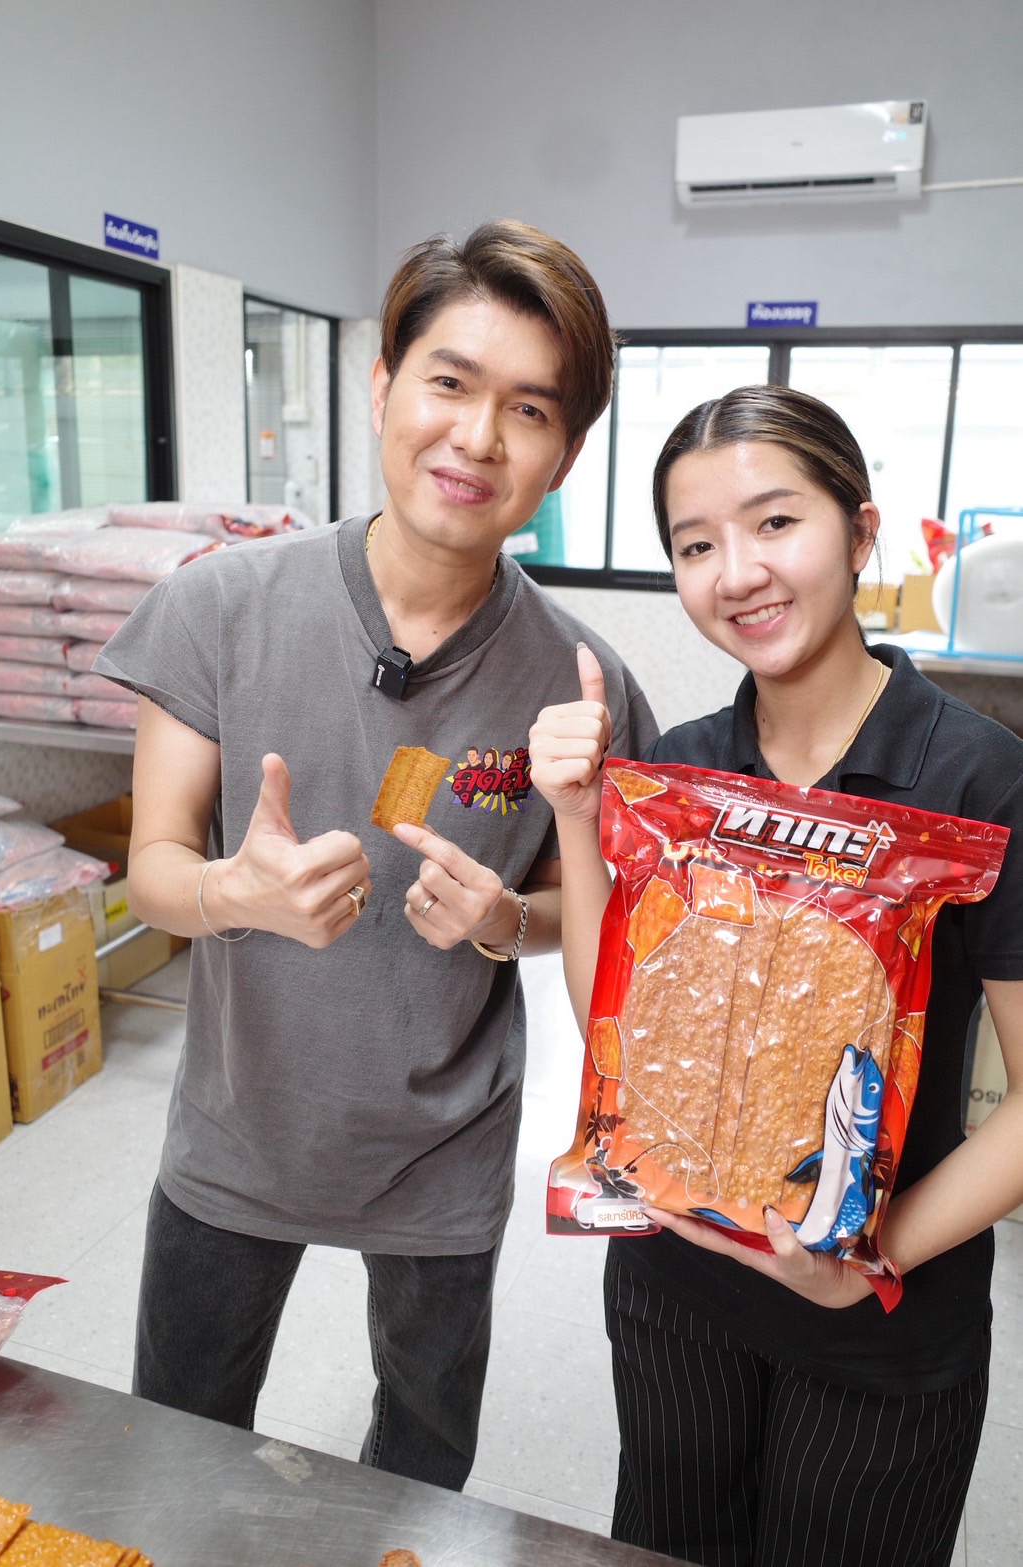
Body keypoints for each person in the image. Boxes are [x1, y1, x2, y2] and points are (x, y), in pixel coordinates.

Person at [94, 219, 658, 1491]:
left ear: (565, 452)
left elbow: (587, 912)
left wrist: (506, 920)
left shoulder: (583, 681)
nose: (476, 437)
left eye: (529, 410)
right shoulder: (217, 607)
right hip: (237, 1136)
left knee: (418, 1466)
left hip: (443, 1156)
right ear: (384, 385)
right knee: (173, 1452)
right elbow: (153, 871)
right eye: (449, 381)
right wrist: (232, 892)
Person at [528, 384, 1023, 1567]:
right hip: (673, 1288)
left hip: (880, 1325)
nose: (736, 572)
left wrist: (872, 1261)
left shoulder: (978, 779)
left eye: (775, 523)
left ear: (858, 533)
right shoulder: (683, 770)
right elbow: (620, 1036)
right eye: (695, 545)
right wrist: (579, 817)